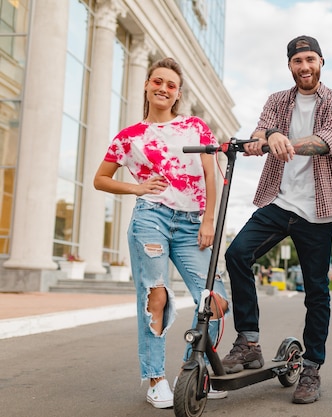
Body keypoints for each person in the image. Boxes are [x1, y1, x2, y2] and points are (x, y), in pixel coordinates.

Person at [221, 35, 332, 405]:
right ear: (290, 66)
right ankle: (248, 341)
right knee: (237, 255)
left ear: (321, 62)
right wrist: (269, 135)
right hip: (278, 201)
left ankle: (311, 367)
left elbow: (326, 142)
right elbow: (259, 131)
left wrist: (283, 142)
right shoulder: (276, 100)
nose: (305, 67)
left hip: (319, 210)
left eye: (311, 59)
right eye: (298, 61)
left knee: (316, 291)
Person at [93, 57, 230, 409]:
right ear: (146, 85)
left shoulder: (196, 127)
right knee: (157, 297)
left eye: (171, 85)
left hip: (192, 221)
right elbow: (100, 179)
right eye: (158, 81)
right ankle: (155, 379)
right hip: (150, 218)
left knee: (213, 301)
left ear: (178, 93)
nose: (163, 89)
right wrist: (137, 190)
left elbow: (211, 175)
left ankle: (192, 371)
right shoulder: (130, 136)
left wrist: (209, 219)